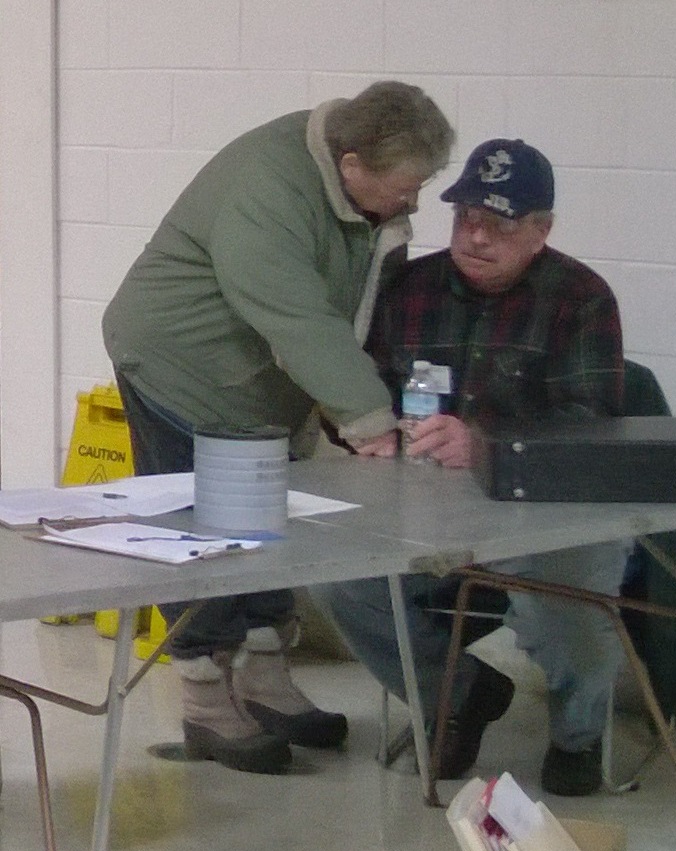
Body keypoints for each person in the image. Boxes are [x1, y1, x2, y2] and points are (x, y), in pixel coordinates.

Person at [102, 81, 454, 775]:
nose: (415, 201)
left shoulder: (356, 192)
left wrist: (351, 403)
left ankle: (263, 679)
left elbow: (348, 307)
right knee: (199, 538)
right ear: (352, 165)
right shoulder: (266, 188)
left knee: (264, 529)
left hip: (259, 383)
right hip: (179, 365)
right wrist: (370, 421)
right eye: (407, 187)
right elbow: (298, 318)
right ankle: (205, 699)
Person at [321, 138, 629, 796]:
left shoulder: (581, 297)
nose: (477, 237)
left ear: (542, 230)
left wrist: (484, 443)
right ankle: (459, 695)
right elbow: (361, 390)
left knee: (571, 599)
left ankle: (579, 736)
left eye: (500, 225)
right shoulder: (410, 288)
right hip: (425, 501)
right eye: (466, 219)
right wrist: (364, 430)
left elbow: (592, 423)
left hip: (542, 509)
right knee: (339, 576)